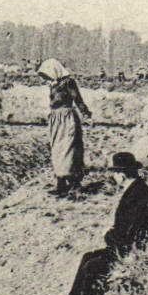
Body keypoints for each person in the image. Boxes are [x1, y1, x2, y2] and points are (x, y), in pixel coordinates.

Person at [66, 152, 148, 295]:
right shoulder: (138, 190)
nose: (114, 177)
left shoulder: (136, 196)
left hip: (133, 251)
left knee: (92, 265)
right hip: (131, 246)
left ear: (122, 175)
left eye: (115, 173)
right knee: (88, 257)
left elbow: (126, 235)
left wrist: (108, 235)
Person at [38, 59, 91, 195]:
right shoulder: (53, 85)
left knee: (69, 148)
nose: (46, 79)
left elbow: (77, 98)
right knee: (57, 149)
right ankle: (61, 182)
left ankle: (74, 183)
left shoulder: (68, 82)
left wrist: (85, 112)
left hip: (67, 118)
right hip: (56, 120)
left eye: (46, 76)